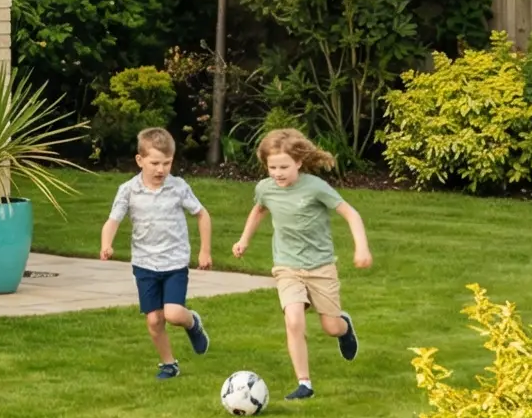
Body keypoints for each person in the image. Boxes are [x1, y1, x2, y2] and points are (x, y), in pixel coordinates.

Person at [231, 126, 372, 401]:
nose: (278, 173)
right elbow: (259, 210)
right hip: (286, 266)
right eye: (272, 167)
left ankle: (344, 326)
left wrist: (362, 248)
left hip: (320, 267)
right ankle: (304, 383)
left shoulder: (315, 187)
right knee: (293, 320)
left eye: (284, 166)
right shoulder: (265, 188)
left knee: (330, 327)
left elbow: (350, 213)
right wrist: (244, 240)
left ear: (298, 162)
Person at [99, 127, 213, 379]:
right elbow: (113, 221)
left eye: (167, 163)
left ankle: (192, 322)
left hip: (174, 262)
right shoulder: (128, 190)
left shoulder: (178, 187)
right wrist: (106, 243)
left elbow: (202, 214)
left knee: (172, 314)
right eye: (154, 163)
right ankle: (169, 364)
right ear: (140, 160)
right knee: (154, 320)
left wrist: (205, 251)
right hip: (144, 264)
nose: (161, 169)